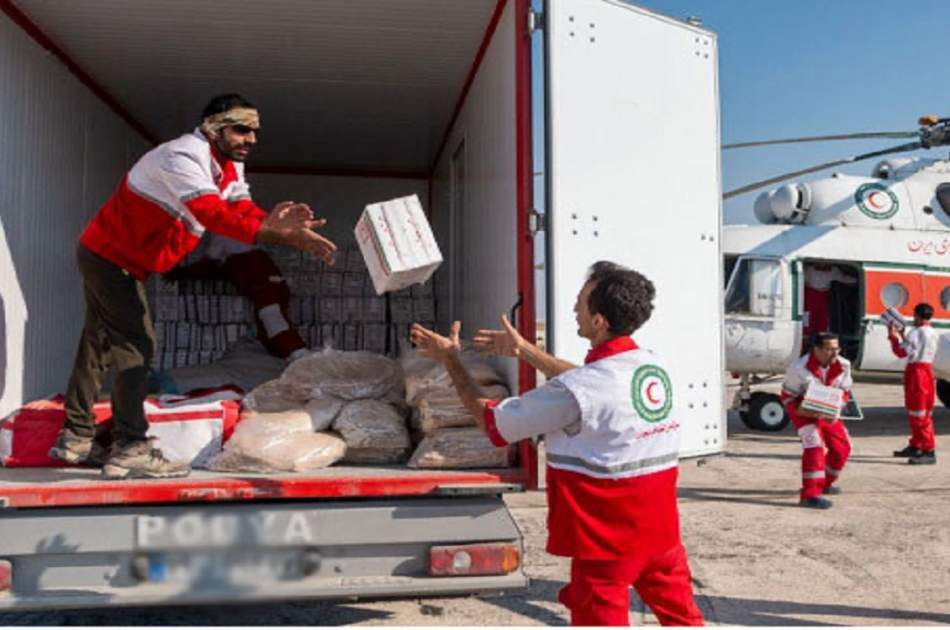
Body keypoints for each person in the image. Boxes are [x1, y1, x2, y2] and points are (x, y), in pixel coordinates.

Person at [49, 93, 337, 479]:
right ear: (213, 128)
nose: (251, 139)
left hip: (121, 259)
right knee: (138, 347)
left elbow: (238, 208)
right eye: (241, 129)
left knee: (98, 342)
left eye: (255, 131)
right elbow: (211, 213)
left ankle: (76, 436)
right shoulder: (183, 156)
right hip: (110, 257)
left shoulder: (229, 166)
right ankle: (130, 445)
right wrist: (276, 233)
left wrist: (270, 221)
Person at [410, 262, 703, 627]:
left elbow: (494, 421)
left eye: (580, 302)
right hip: (661, 537)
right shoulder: (650, 366)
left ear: (599, 321)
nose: (573, 309)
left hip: (607, 542)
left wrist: (451, 360)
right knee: (684, 619)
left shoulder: (577, 391)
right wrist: (524, 351)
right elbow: (590, 385)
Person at [168, 233, 308, 361]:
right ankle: (281, 355)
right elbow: (217, 269)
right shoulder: (241, 245)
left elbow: (209, 263)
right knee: (265, 322)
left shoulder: (222, 234)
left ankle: (298, 353)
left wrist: (180, 272)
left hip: (265, 285)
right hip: (271, 284)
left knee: (271, 317)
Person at [780, 332, 853, 509]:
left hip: (828, 409)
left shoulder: (844, 365)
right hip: (803, 411)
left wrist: (837, 406)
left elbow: (845, 390)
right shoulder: (799, 368)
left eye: (837, 349)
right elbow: (788, 395)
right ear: (817, 350)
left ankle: (825, 483)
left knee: (842, 448)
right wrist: (802, 412)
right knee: (814, 446)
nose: (834, 353)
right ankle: (810, 494)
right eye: (829, 349)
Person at [889, 303, 938, 465]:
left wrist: (893, 336)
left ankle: (928, 450)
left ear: (917, 315)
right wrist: (904, 336)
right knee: (923, 412)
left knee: (917, 414)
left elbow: (901, 352)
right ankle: (917, 445)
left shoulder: (915, 332)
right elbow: (915, 349)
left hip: (916, 374)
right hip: (927, 372)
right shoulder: (932, 332)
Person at [802, 262, 856, 339]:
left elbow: (845, 278)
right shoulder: (808, 269)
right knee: (807, 319)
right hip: (809, 296)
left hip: (824, 296)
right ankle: (806, 339)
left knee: (823, 320)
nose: (823, 263)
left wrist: (858, 280)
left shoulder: (834, 271)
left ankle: (820, 340)